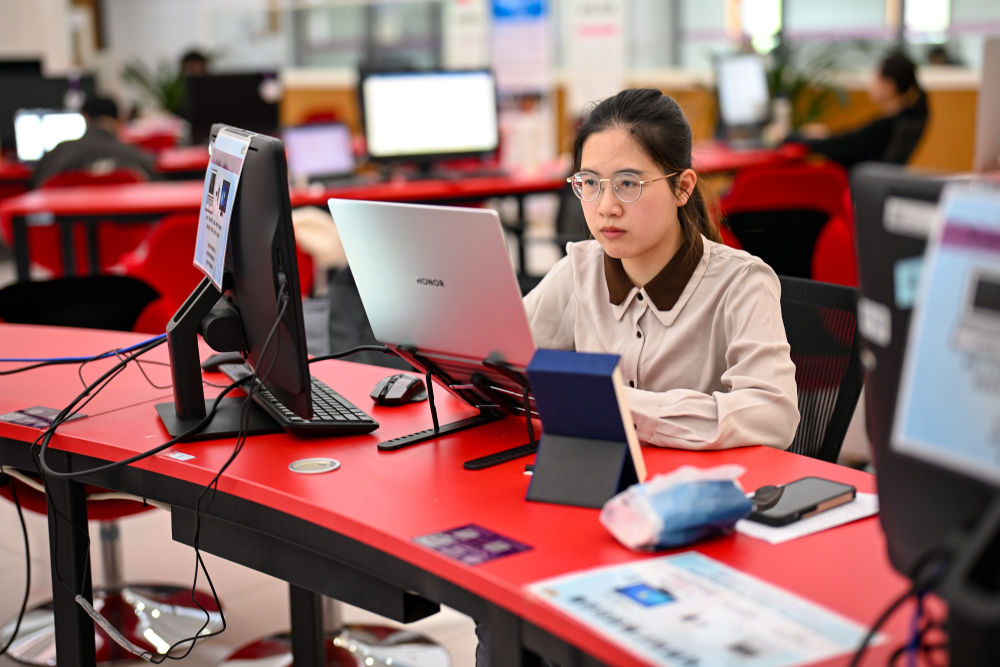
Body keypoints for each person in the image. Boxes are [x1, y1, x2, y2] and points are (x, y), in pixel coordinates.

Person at [523, 88, 799, 452]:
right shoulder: (579, 269)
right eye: (590, 183)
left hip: (697, 482)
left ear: (682, 188)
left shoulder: (741, 283)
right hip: (601, 475)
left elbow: (773, 415)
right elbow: (498, 359)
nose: (606, 207)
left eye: (627, 184)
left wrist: (621, 405)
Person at [789, 51, 929, 169]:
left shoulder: (884, 127)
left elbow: (845, 146)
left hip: (860, 184)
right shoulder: (910, 118)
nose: (871, 84)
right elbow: (852, 141)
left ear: (889, 86)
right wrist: (827, 135)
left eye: (876, 78)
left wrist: (794, 138)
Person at [32, 95, 156, 187]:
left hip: (66, 215)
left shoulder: (57, 154)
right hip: (126, 216)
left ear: (85, 117)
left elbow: (36, 185)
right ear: (118, 121)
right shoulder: (136, 155)